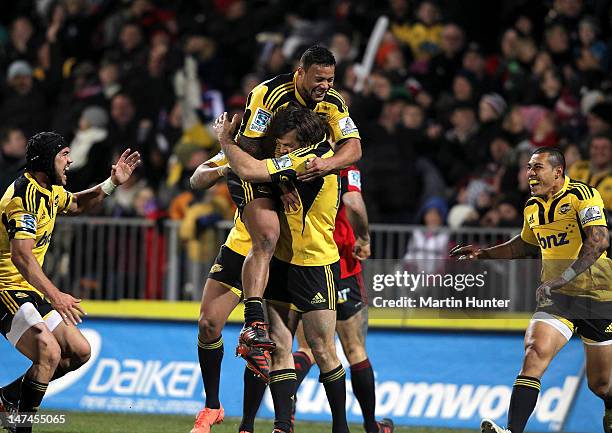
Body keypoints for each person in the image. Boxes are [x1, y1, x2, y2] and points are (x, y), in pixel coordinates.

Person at [450, 148, 612, 433]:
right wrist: (483, 254)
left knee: (601, 385)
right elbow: (525, 244)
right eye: (528, 168)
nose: (530, 174)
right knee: (534, 354)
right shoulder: (532, 206)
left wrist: (563, 277)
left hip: (598, 298)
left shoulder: (583, 196)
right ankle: (512, 431)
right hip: (557, 299)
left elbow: (598, 242)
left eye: (537, 168)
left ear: (558, 172)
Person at [228, 45, 361, 375]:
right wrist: (282, 182)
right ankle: (253, 322)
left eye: (330, 79)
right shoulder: (268, 94)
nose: (325, 86)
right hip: (254, 171)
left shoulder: (333, 103)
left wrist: (327, 164)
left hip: (290, 175)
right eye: (319, 79)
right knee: (268, 237)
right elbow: (248, 151)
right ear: (300, 73)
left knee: (301, 342)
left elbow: (354, 147)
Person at [218, 106, 351, 433]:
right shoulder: (291, 162)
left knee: (322, 349)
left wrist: (225, 140)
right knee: (279, 347)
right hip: (281, 262)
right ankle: (282, 427)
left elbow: (251, 170)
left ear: (303, 144)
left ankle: (341, 428)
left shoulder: (311, 159)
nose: (282, 150)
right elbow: (265, 170)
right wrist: (279, 183)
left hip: (315, 264)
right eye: (278, 144)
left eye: (288, 146)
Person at [0, 132, 140, 433]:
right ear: (46, 160)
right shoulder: (22, 197)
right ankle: (19, 426)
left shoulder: (48, 191)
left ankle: (7, 398)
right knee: (48, 352)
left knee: (79, 351)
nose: (70, 160)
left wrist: (112, 183)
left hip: (27, 289)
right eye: (64, 154)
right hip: (4, 289)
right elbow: (22, 258)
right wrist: (56, 296)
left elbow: (76, 204)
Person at [289, 164, 395, 433]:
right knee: (354, 349)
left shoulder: (292, 161)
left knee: (306, 349)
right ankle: (371, 427)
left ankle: (286, 408)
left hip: (304, 265)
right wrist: (364, 237)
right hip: (342, 264)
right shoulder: (340, 164)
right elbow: (354, 202)